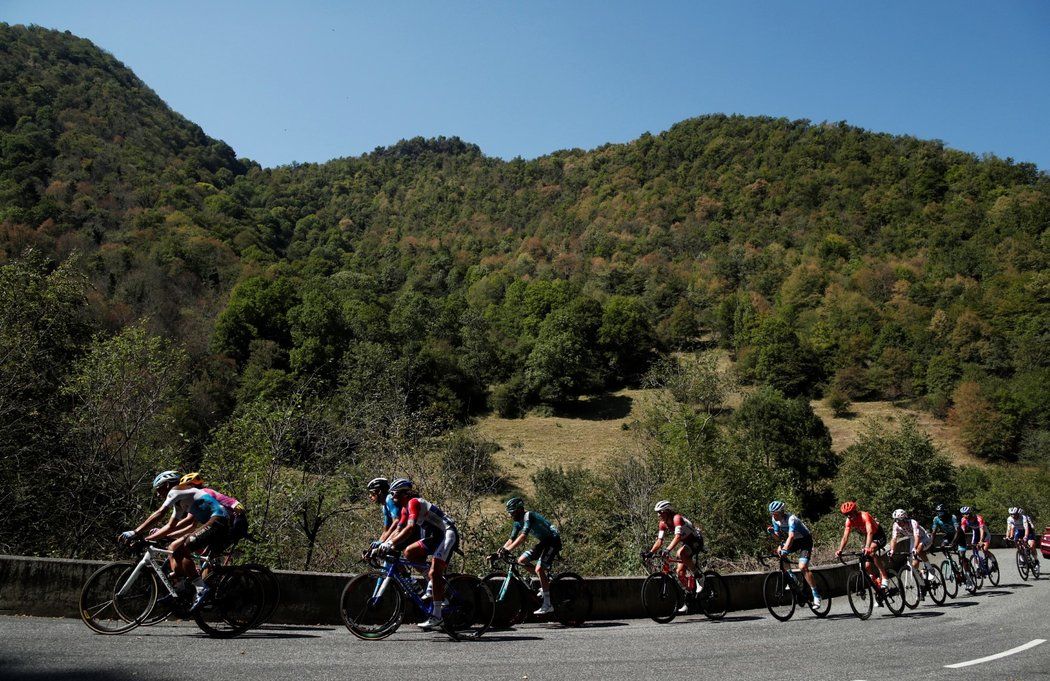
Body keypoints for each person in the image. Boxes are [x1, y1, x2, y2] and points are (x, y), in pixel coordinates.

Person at [120, 470, 230, 610]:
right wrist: (147, 538)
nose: (158, 494)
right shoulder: (179, 503)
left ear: (166, 485)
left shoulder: (176, 490)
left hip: (219, 520)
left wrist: (135, 532)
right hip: (214, 522)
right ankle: (182, 590)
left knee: (184, 547)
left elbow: (160, 513)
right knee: (176, 552)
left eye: (159, 489)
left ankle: (201, 588)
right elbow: (170, 526)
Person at [382, 478, 459, 630]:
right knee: (409, 552)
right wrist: (383, 544)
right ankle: (434, 583)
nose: (392, 498)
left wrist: (390, 544)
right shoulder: (405, 508)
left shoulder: (413, 502)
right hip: (435, 536)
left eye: (394, 494)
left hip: (447, 533)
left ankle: (437, 617)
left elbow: (410, 529)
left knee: (435, 572)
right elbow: (399, 529)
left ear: (404, 493)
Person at [500, 497, 562, 615]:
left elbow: (523, 536)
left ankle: (548, 605)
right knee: (521, 560)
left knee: (539, 568)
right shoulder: (517, 522)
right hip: (544, 542)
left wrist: (508, 550)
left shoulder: (528, 516)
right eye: (510, 513)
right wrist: (501, 551)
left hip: (553, 541)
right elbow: (511, 539)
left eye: (512, 512)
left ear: (519, 510)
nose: (511, 515)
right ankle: (545, 581)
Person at [649, 500, 704, 614]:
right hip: (686, 543)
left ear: (668, 511)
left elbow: (678, 536)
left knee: (680, 553)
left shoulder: (676, 518)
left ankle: (699, 576)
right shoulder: (662, 523)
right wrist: (650, 552)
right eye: (657, 512)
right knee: (679, 572)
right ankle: (689, 599)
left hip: (695, 540)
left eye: (661, 512)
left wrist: (668, 549)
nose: (658, 515)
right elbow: (659, 541)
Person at [767, 500, 821, 607]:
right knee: (779, 551)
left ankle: (816, 595)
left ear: (782, 512)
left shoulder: (791, 519)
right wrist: (773, 532)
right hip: (795, 541)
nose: (773, 516)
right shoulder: (775, 520)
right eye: (772, 513)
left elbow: (791, 536)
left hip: (805, 540)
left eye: (775, 513)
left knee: (802, 567)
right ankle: (792, 577)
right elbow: (778, 537)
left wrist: (786, 548)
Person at [177, 472, 249, 550]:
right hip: (225, 524)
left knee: (194, 545)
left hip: (233, 524)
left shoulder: (205, 493)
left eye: (185, 488)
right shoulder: (196, 498)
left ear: (192, 485)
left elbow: (189, 520)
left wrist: (168, 532)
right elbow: (192, 526)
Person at [834, 501, 890, 588]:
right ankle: (878, 587)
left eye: (850, 513)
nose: (848, 516)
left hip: (878, 535)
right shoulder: (849, 521)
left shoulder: (864, 516)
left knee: (871, 551)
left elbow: (870, 532)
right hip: (868, 538)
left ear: (855, 511)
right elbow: (845, 537)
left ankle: (884, 576)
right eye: (846, 514)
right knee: (867, 566)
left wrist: (867, 546)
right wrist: (840, 549)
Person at [888, 509, 933, 577]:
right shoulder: (896, 525)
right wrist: (892, 550)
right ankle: (920, 576)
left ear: (905, 519)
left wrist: (915, 548)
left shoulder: (912, 522)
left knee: (918, 549)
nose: (898, 522)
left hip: (924, 537)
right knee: (914, 563)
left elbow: (916, 536)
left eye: (899, 520)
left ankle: (930, 568)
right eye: (896, 520)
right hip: (913, 539)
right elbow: (894, 539)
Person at [366, 477, 401, 545]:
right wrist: (378, 543)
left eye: (372, 493)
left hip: (412, 530)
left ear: (379, 491)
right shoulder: (384, 506)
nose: (370, 496)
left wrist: (383, 542)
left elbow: (397, 521)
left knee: (389, 549)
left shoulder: (389, 499)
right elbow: (386, 530)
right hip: (401, 530)